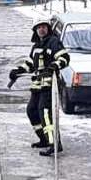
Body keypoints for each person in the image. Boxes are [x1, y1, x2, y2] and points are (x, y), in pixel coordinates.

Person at [8, 19, 70, 156]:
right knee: (32, 111)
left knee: (45, 113)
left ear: (48, 28)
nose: (41, 30)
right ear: (35, 30)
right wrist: (18, 71)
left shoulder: (53, 42)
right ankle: (44, 139)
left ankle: (54, 143)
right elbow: (31, 64)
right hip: (37, 85)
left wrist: (54, 66)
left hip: (49, 85)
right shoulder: (36, 45)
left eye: (43, 27)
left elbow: (64, 58)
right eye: (38, 28)